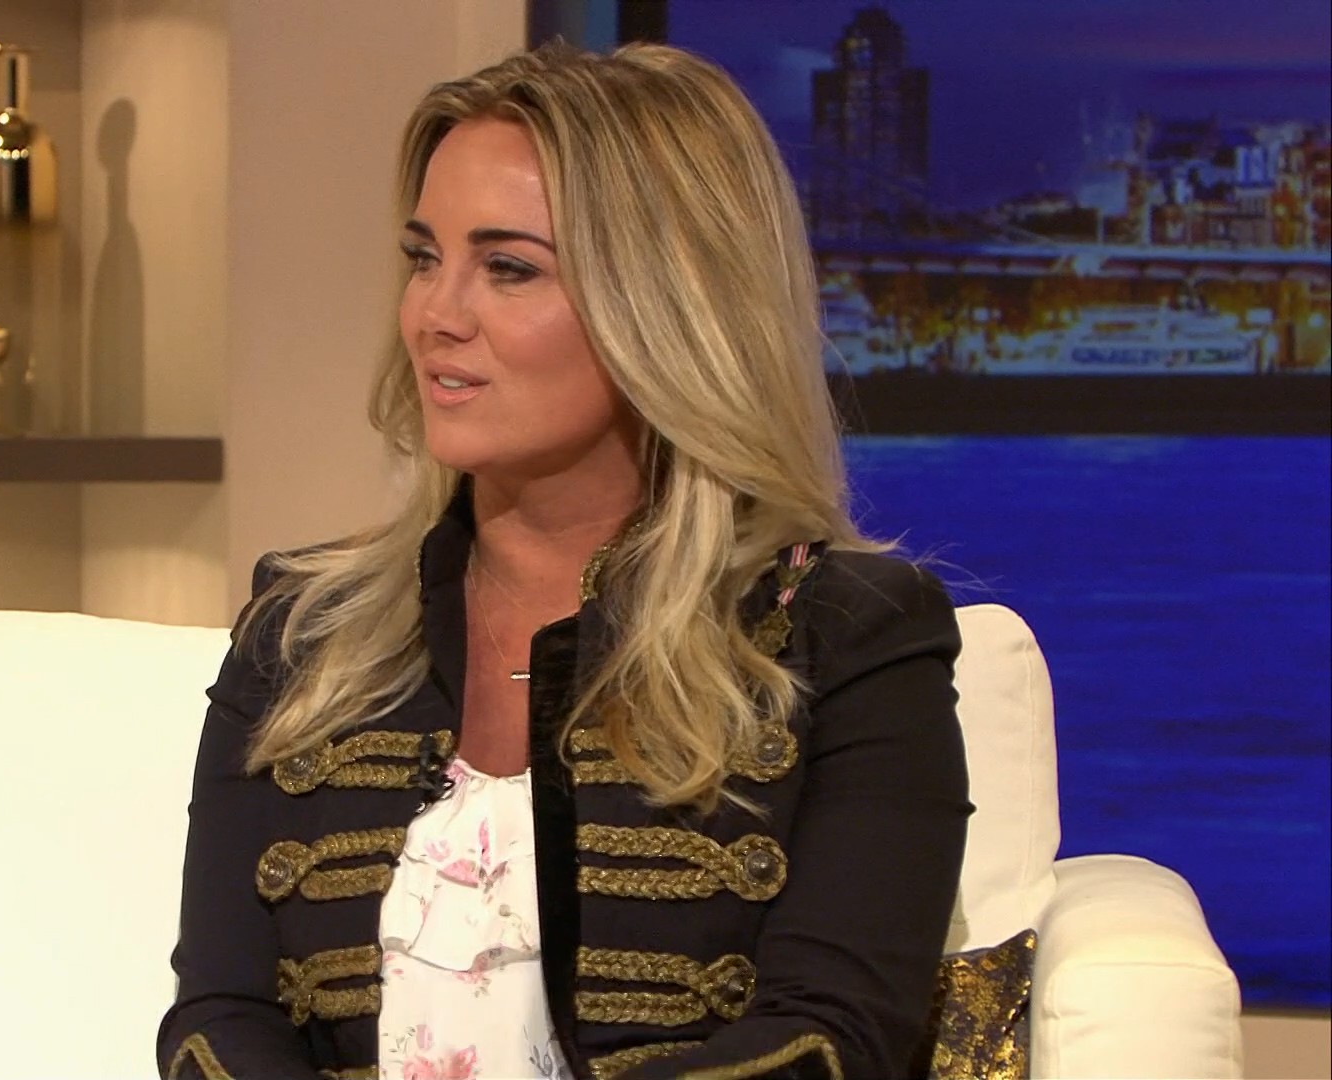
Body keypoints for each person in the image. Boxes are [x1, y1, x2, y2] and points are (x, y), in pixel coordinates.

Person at [158, 40, 968, 1080]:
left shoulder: (853, 635)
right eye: (424, 258)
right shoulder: (299, 630)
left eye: (508, 268)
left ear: (669, 306)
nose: (435, 315)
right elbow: (219, 1019)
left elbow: (831, 1038)